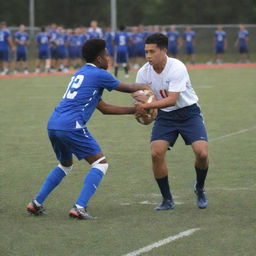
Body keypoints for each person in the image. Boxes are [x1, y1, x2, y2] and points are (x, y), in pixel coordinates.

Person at [26, 38, 151, 219]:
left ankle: (36, 203)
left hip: (54, 124)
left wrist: (135, 110)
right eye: (107, 55)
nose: (109, 59)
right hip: (71, 125)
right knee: (100, 164)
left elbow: (104, 109)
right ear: (100, 59)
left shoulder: (81, 74)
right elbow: (128, 87)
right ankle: (79, 207)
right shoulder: (100, 74)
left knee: (65, 164)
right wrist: (148, 88)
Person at [135, 33, 209, 210]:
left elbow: (172, 99)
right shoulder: (143, 72)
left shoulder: (177, 67)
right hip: (165, 116)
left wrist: (147, 107)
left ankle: (199, 187)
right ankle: (167, 200)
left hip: (188, 113)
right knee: (156, 153)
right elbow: (139, 98)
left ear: (164, 50)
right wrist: (141, 109)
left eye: (152, 51)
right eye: (146, 51)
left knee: (202, 154)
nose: (148, 56)